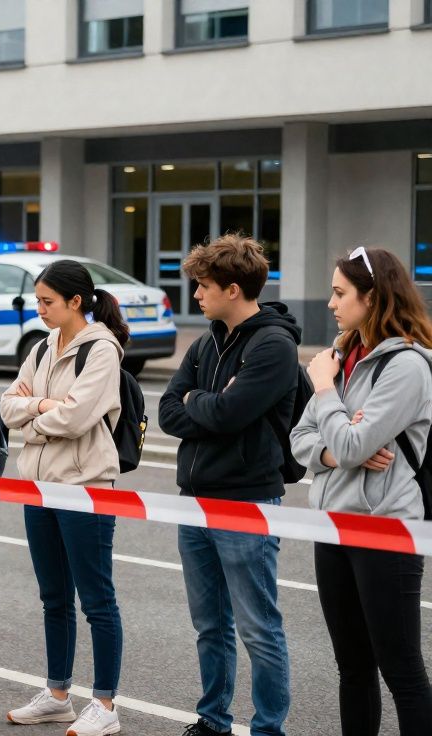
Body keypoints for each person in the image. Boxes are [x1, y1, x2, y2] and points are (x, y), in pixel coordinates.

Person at [157, 235, 297, 736]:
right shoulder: (205, 342)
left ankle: (268, 729)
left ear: (232, 289)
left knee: (259, 628)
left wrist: (200, 402)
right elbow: (167, 411)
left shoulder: (274, 345)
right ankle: (213, 720)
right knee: (210, 625)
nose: (196, 294)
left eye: (203, 286)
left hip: (246, 502)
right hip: (194, 502)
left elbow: (230, 414)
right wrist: (207, 404)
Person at [290, 246, 432, 736]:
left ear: (372, 297)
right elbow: (301, 439)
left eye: (339, 293)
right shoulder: (342, 356)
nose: (330, 303)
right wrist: (336, 452)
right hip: (333, 525)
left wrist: (325, 391)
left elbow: (354, 442)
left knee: (402, 671)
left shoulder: (406, 366)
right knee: (352, 668)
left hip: (384, 530)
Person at [0, 259, 128, 736]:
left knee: (97, 599)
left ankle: (106, 705)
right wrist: (42, 405)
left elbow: (76, 419)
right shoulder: (41, 347)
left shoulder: (101, 350)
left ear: (76, 302)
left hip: (85, 487)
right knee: (53, 596)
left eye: (47, 301)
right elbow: (6, 405)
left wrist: (33, 421)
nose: (40, 309)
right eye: (37, 300)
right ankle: (57, 696)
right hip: (39, 486)